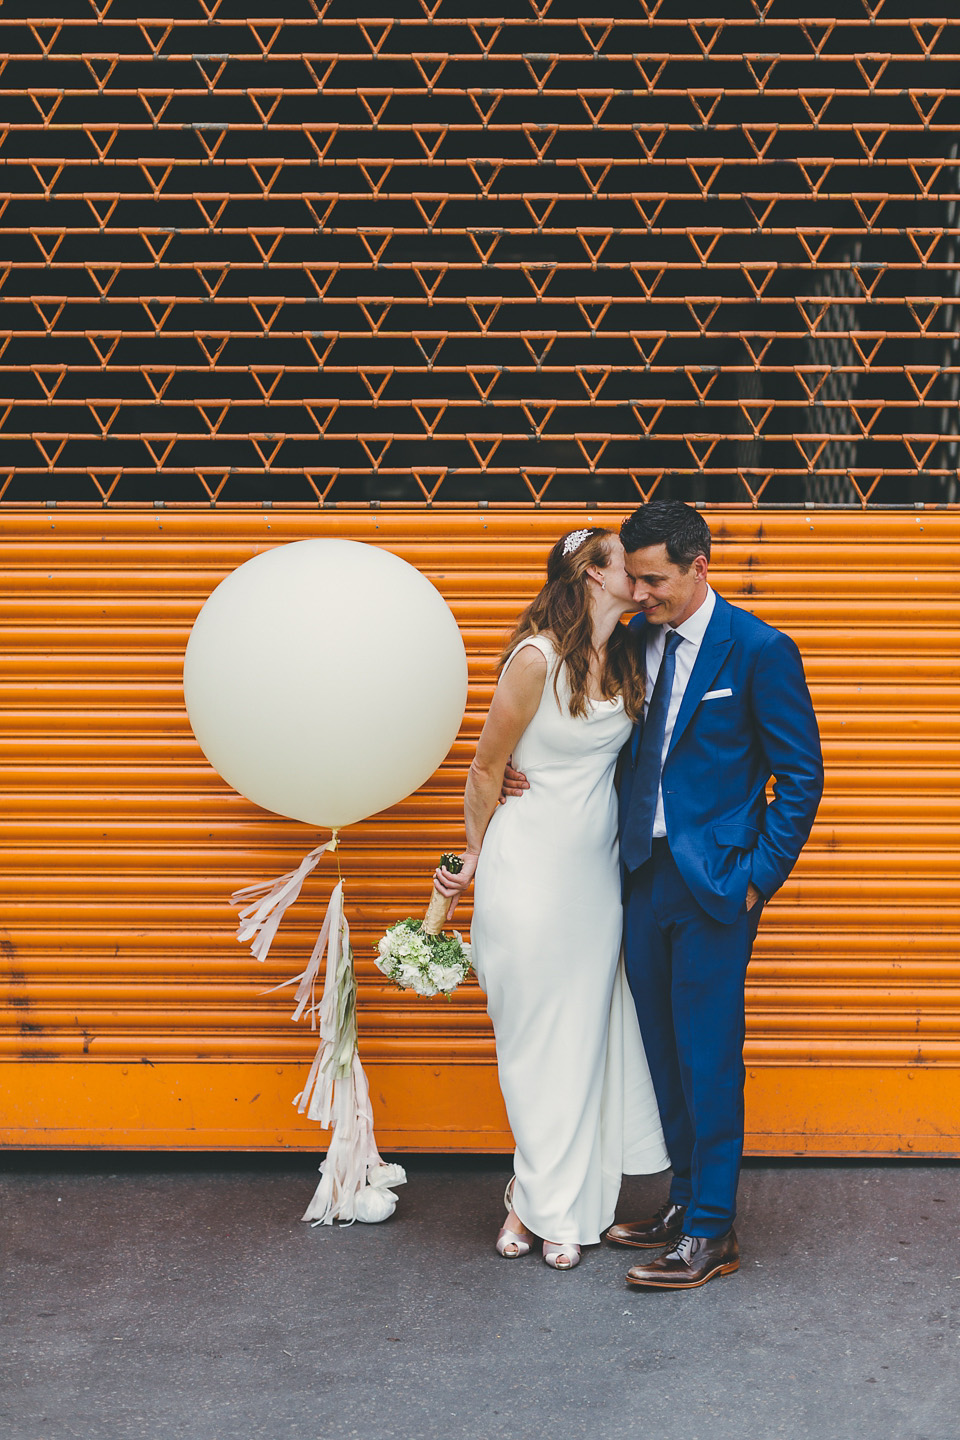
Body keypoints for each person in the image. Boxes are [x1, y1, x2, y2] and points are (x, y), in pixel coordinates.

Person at [433, 527, 669, 1270]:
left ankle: (537, 1205)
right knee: (532, 1048)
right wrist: (469, 858)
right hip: (527, 873)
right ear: (592, 576)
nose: (638, 567)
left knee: (580, 1045)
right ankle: (546, 1208)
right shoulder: (536, 658)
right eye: (622, 557)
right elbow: (485, 765)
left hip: (595, 882)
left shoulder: (631, 654)